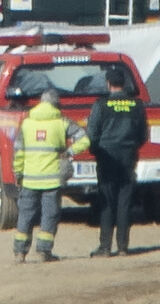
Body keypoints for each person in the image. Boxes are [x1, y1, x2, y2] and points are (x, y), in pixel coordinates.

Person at [10, 87, 89, 263]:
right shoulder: (62, 122)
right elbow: (84, 139)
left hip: (30, 179)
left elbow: (18, 151)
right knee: (49, 215)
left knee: (25, 215)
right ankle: (43, 252)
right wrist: (69, 151)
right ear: (56, 104)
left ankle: (19, 253)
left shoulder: (27, 123)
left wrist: (18, 172)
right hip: (52, 179)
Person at [85, 70, 148, 257]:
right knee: (124, 201)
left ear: (108, 84)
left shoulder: (101, 105)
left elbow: (92, 132)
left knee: (107, 201)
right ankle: (123, 247)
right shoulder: (137, 105)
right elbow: (143, 134)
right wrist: (132, 146)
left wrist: (95, 150)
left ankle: (105, 247)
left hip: (107, 156)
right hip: (128, 155)